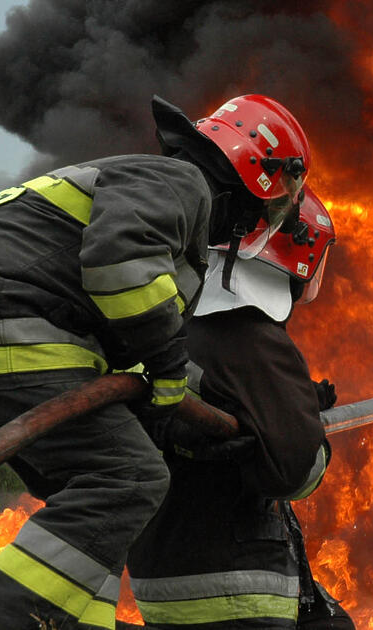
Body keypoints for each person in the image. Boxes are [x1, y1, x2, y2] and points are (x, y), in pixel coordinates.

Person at [0, 93, 312, 630]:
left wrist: (187, 405)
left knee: (95, 501)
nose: (263, 219)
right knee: (130, 478)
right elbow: (120, 267)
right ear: (258, 174)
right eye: (276, 202)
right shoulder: (183, 183)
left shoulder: (155, 187)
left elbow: (124, 332)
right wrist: (168, 368)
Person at [126, 188, 354, 629]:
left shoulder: (173, 326)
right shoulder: (252, 337)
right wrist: (308, 428)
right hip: (235, 586)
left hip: (162, 574)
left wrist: (291, 402)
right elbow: (295, 472)